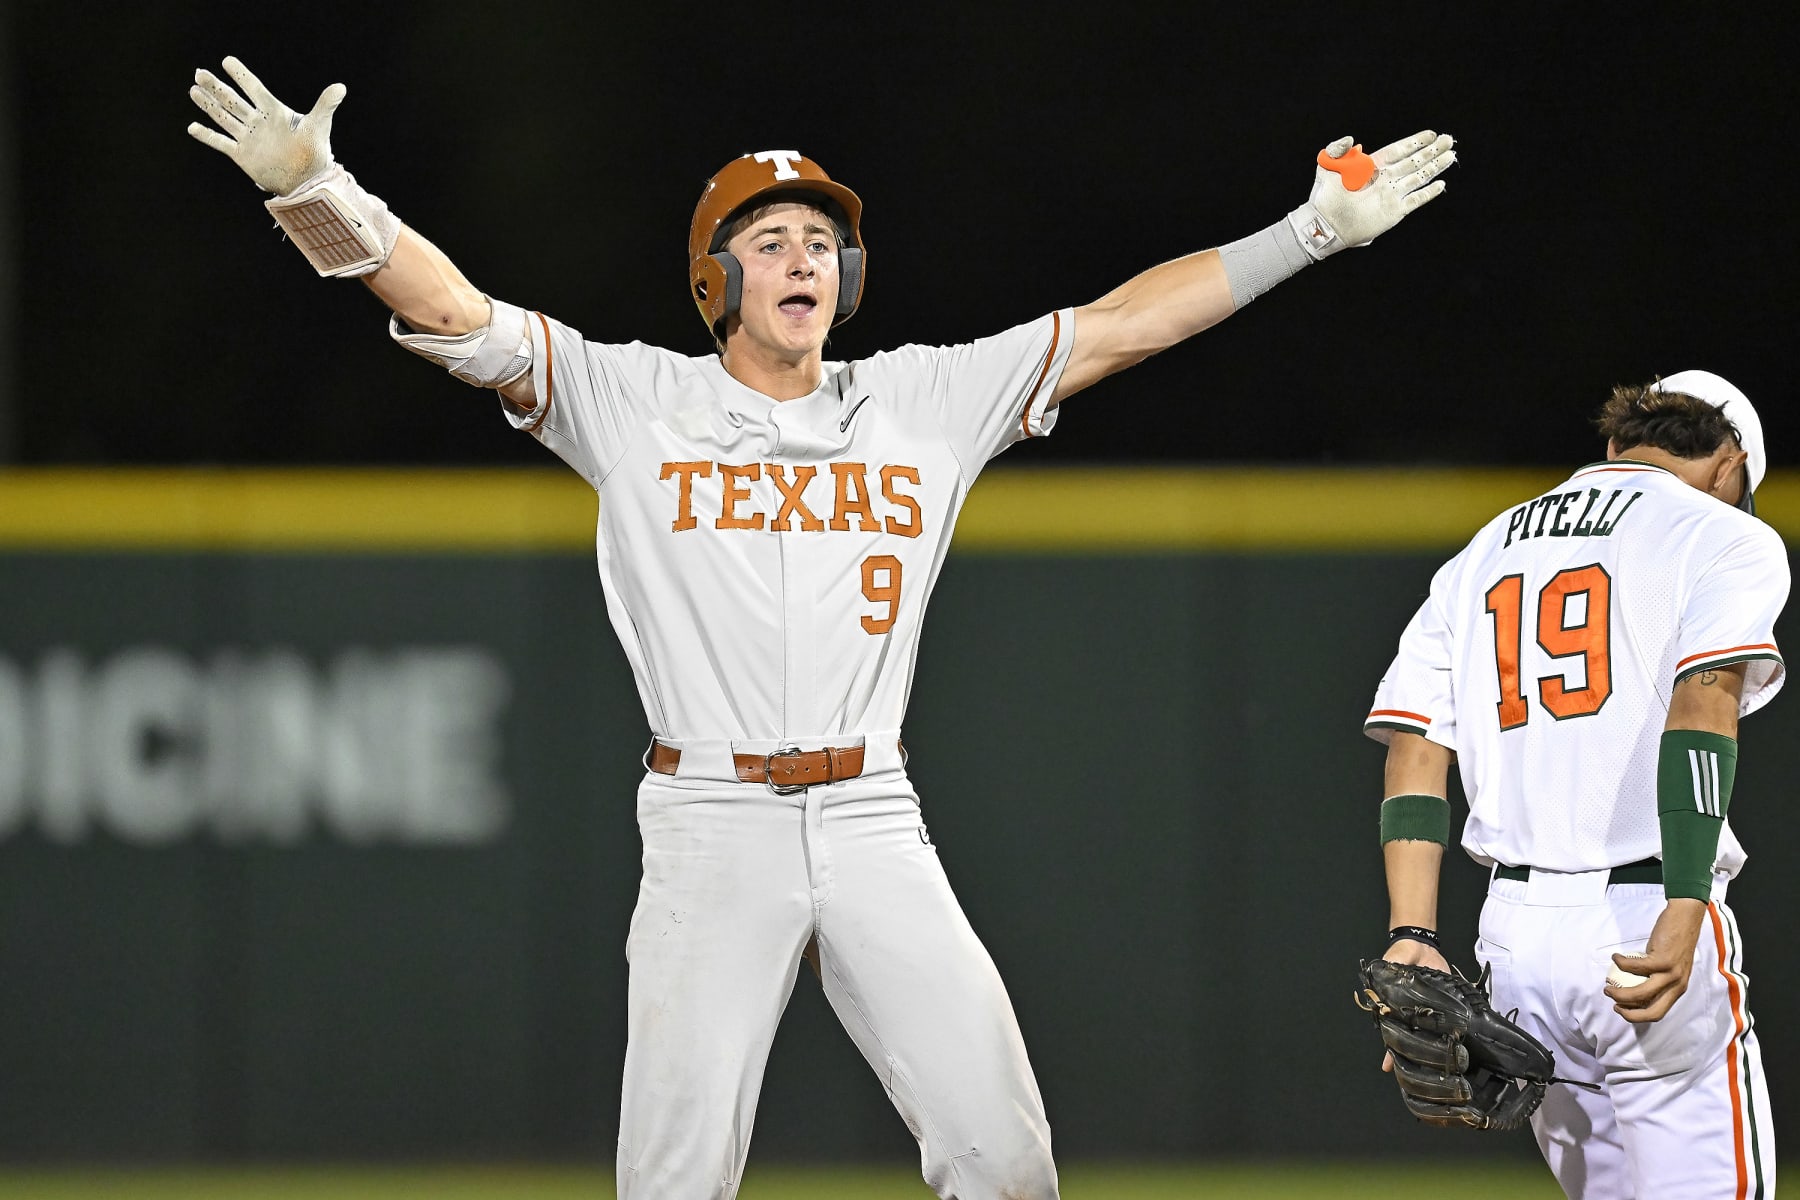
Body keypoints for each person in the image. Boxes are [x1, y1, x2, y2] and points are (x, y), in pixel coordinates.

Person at [189, 54, 1456, 1200]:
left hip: (871, 812)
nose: (803, 258)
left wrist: (1308, 233)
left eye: (820, 241)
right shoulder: (636, 401)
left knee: (1005, 1156)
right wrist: (319, 194)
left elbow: (1129, 323)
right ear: (716, 276)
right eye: (771, 238)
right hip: (709, 818)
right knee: (674, 1178)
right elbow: (457, 312)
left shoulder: (924, 399)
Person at [1363, 371, 1785, 1197]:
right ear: (1730, 463)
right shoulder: (1722, 535)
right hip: (1646, 917)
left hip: (1515, 944)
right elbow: (1703, 709)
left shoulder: (1481, 549)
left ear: (1614, 443)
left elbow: (1415, 747)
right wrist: (1687, 896)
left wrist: (1410, 931)